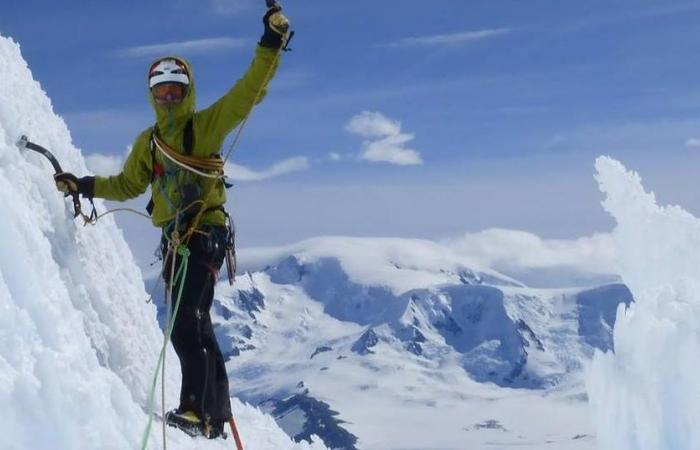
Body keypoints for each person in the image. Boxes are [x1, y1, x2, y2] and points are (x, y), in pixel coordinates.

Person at [53, 3, 290, 440]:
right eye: (161, 91)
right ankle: (215, 414)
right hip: (181, 239)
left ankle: (196, 411)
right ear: (151, 95)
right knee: (197, 321)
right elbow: (127, 184)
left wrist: (270, 44)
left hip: (203, 235)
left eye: (175, 89)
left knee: (186, 321)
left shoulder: (203, 128)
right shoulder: (150, 142)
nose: (168, 97)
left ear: (187, 92)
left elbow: (247, 93)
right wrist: (83, 185)